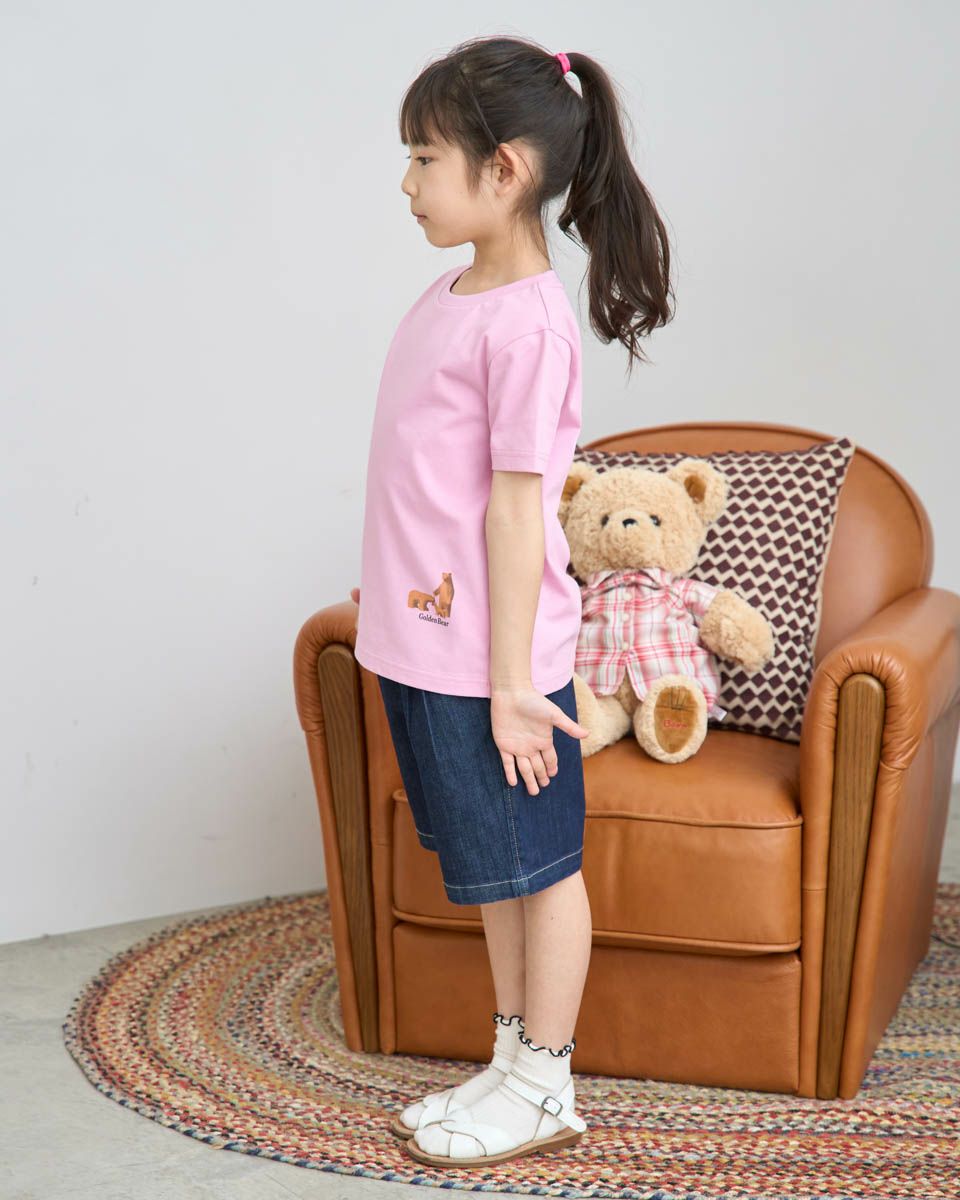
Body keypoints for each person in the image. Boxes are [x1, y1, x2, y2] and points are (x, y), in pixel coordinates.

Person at [349, 34, 673, 1168]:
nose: (406, 183)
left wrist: (510, 689)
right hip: (426, 644)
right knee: (496, 871)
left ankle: (547, 1082)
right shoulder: (449, 295)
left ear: (505, 170)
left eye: (423, 157)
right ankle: (509, 1060)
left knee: (542, 872)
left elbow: (516, 512)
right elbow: (425, 483)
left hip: (494, 664)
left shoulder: (529, 324)